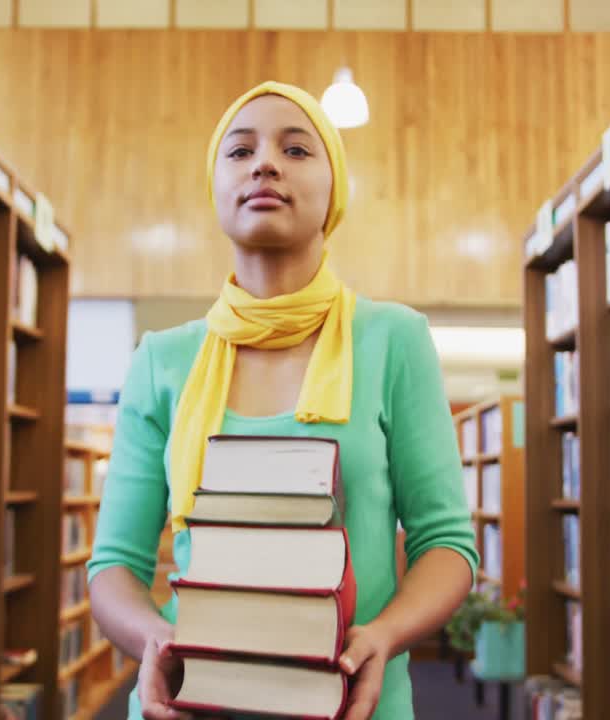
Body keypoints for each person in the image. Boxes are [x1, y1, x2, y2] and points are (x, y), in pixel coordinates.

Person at [87, 80, 478, 720]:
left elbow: (446, 545)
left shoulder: (394, 339)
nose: (264, 162)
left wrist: (384, 637)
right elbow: (114, 567)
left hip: (353, 703)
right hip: (193, 699)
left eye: (297, 150)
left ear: (335, 191)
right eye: (239, 152)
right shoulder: (162, 359)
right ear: (215, 187)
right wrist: (155, 640)